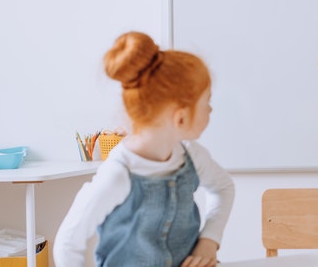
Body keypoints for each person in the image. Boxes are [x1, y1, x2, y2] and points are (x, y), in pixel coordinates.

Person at [55, 32, 235, 267]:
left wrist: (209, 240)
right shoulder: (118, 174)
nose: (210, 110)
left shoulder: (192, 154)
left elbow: (223, 187)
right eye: (206, 102)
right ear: (180, 118)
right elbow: (68, 243)